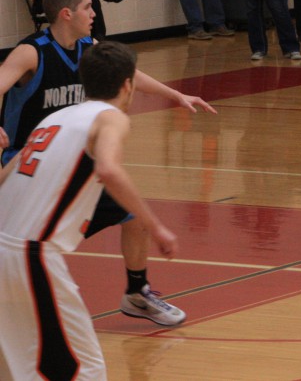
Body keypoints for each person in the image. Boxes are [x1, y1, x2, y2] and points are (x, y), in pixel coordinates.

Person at [0, 0, 215, 326]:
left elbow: (127, 73)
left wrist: (176, 95)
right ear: (66, 13)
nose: (93, 13)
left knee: (133, 215)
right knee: (32, 244)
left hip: (70, 163)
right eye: (88, 7)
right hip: (27, 165)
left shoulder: (89, 48)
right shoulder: (32, 52)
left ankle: (136, 294)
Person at [0, 41, 181, 380]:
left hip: (6, 246)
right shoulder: (110, 118)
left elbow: (4, 178)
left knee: (18, 368)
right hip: (29, 254)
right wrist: (155, 226)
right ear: (127, 85)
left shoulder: (53, 120)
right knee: (85, 369)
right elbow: (109, 170)